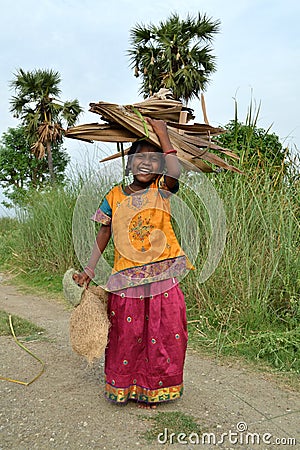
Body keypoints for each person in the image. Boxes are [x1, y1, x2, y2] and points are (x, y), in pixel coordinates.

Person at [73, 118, 192, 409]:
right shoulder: (113, 196)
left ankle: (157, 387)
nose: (146, 163)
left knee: (166, 333)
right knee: (128, 334)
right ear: (128, 164)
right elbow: (104, 232)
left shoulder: (162, 190)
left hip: (163, 274)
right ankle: (126, 387)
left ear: (161, 167)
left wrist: (163, 133)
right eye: (140, 157)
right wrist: (89, 269)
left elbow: (176, 170)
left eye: (154, 159)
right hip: (126, 278)